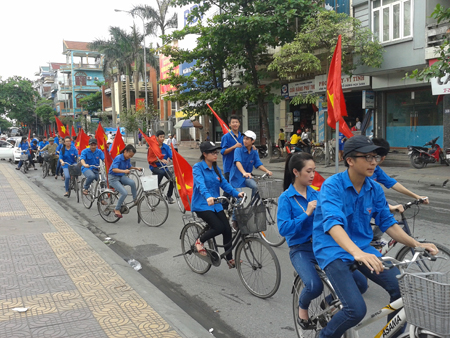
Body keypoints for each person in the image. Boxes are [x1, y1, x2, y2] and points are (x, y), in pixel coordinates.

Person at [312, 135, 438, 338]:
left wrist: (417, 244)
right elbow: (333, 224)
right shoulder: (332, 186)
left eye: (376, 157)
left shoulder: (374, 188)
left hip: (363, 248)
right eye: (367, 157)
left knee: (402, 291)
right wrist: (357, 253)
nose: (373, 162)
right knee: (355, 309)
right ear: (350, 160)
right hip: (332, 249)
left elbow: (387, 222)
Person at [278, 152, 367, 330]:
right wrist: (306, 214)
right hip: (300, 249)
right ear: (296, 172)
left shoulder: (318, 194)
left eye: (314, 171)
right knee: (313, 286)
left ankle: (328, 304)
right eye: (308, 171)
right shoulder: (286, 198)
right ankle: (302, 308)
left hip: (322, 247)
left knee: (361, 282)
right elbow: (284, 229)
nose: (312, 175)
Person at [192, 141, 245, 268]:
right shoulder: (198, 167)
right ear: (205, 154)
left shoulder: (216, 169)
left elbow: (225, 184)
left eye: (216, 152)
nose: (215, 155)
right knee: (218, 227)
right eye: (212, 152)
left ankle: (229, 259)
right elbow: (200, 184)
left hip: (216, 205)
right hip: (202, 205)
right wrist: (208, 196)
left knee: (227, 229)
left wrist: (236, 194)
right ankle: (199, 241)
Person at [371, 138, 429, 214]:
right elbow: (366, 195)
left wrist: (417, 196)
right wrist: (390, 207)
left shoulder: (376, 169)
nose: (372, 162)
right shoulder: (363, 171)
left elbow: (391, 183)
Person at [229, 130, 273, 198]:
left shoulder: (254, 151)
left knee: (256, 187)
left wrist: (267, 171)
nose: (244, 140)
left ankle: (252, 207)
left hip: (247, 177)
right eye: (244, 138)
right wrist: (244, 173)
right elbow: (238, 162)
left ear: (253, 141)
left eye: (247, 139)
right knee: (240, 198)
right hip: (236, 178)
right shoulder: (238, 149)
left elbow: (258, 163)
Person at [108, 144, 142, 218]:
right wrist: (124, 171)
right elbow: (114, 169)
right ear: (125, 151)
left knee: (132, 183)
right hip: (113, 178)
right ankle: (117, 209)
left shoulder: (127, 159)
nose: (129, 157)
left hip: (120, 176)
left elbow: (129, 167)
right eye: (129, 155)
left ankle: (135, 200)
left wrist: (137, 168)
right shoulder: (118, 158)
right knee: (124, 193)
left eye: (131, 156)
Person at [220, 116, 244, 208]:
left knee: (236, 189)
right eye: (233, 122)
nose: (235, 124)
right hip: (229, 167)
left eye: (236, 122)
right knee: (228, 190)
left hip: (239, 168)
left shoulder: (242, 137)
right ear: (229, 124)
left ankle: (235, 210)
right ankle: (223, 209)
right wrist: (234, 146)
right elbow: (223, 152)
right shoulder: (226, 137)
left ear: (239, 124)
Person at [148, 130, 175, 204]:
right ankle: (156, 187)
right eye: (161, 137)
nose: (162, 138)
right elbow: (150, 159)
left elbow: (171, 155)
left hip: (164, 167)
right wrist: (159, 160)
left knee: (173, 179)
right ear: (157, 137)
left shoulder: (166, 147)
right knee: (161, 172)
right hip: (155, 167)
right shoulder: (152, 148)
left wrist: (176, 159)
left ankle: (169, 196)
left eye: (163, 137)